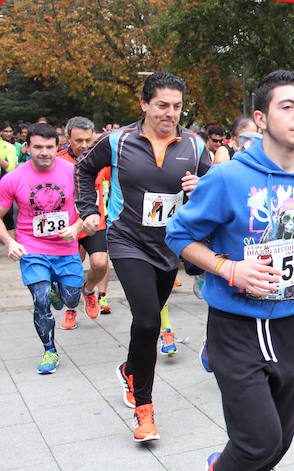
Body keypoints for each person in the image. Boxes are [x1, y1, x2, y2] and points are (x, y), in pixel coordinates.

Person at [167, 70, 294, 471]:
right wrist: (228, 268)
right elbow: (179, 236)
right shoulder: (227, 177)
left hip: (289, 321)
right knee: (257, 437)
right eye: (287, 106)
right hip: (236, 323)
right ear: (261, 118)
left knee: (279, 440)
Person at [75, 71, 211, 442]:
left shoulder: (196, 147)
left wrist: (201, 188)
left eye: (177, 106)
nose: (170, 113)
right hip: (127, 240)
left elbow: (214, 191)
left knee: (148, 322)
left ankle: (129, 370)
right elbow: (83, 168)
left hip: (170, 245)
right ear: (144, 104)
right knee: (149, 321)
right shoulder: (117, 141)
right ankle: (144, 410)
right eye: (162, 105)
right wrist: (88, 209)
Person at [0, 123, 83, 373]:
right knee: (41, 299)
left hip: (66, 248)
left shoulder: (73, 172)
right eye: (37, 147)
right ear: (27, 147)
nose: (44, 152)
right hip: (32, 248)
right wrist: (10, 242)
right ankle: (50, 351)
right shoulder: (13, 178)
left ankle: (58, 288)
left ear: (58, 147)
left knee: (71, 298)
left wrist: (77, 227)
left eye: (49, 147)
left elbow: (90, 207)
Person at [57, 116, 110, 319]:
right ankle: (70, 310)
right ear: (67, 137)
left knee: (100, 263)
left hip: (95, 221)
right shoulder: (59, 160)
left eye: (88, 140)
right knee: (72, 271)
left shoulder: (101, 160)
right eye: (79, 140)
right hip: (70, 223)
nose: (84, 145)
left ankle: (89, 291)